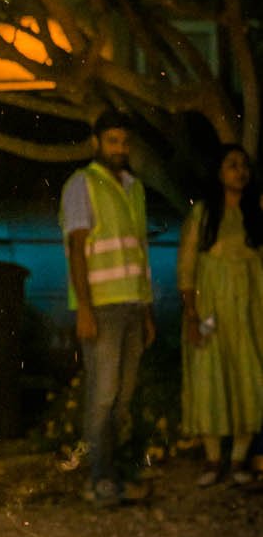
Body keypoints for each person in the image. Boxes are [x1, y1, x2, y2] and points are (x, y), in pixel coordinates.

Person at [60, 109, 155, 505]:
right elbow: (76, 248)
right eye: (112, 141)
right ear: (97, 142)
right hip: (102, 307)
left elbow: (140, 252)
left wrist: (147, 310)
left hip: (132, 306)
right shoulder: (82, 184)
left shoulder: (134, 188)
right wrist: (84, 308)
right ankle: (98, 479)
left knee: (122, 397)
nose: (120, 148)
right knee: (103, 395)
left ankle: (113, 474)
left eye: (124, 142)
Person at [177, 143, 263, 485]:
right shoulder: (203, 213)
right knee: (208, 374)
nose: (240, 171)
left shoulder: (258, 209)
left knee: (249, 376)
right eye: (232, 165)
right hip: (211, 309)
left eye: (243, 165)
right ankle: (213, 461)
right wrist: (193, 315)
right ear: (219, 172)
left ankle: (239, 460)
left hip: (250, 311)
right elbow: (187, 267)